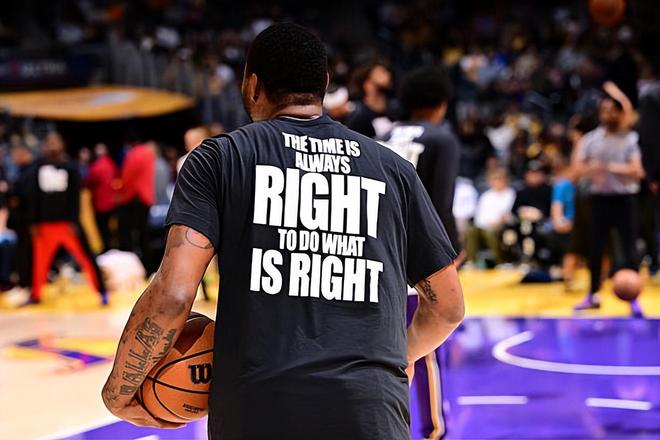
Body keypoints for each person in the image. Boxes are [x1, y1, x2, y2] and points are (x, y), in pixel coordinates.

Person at [102, 23, 464, 440]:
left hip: (258, 413)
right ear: (324, 84)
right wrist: (394, 359)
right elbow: (448, 308)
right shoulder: (393, 170)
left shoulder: (219, 158)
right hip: (372, 413)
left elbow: (175, 293)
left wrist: (119, 392)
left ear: (252, 85)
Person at [381, 65, 461, 439]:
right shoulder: (442, 139)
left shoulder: (382, 134)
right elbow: (440, 205)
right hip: (417, 253)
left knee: (381, 346)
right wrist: (451, 254)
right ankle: (432, 430)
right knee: (425, 346)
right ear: (442, 103)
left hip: (375, 252)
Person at [574, 96, 645, 316]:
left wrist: (608, 167)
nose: (608, 114)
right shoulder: (590, 140)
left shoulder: (631, 139)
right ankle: (593, 294)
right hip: (599, 199)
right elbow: (578, 170)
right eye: (604, 110)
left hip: (625, 200)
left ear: (620, 113)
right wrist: (591, 169)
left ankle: (633, 298)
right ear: (599, 114)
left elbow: (637, 171)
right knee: (595, 249)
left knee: (630, 249)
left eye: (613, 110)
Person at [24, 132, 108, 305]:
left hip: (67, 224)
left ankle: (102, 293)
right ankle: (35, 295)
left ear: (63, 144)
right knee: (39, 262)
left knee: (87, 257)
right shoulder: (37, 167)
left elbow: (75, 196)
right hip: (44, 224)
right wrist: (33, 221)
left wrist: (74, 220)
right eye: (49, 141)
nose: (52, 144)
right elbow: (33, 196)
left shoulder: (71, 167)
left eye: (56, 141)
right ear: (44, 145)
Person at [117, 140, 155, 268]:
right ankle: (148, 266)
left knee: (128, 235)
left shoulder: (133, 154)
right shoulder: (148, 154)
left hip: (135, 198)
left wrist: (123, 195)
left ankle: (132, 266)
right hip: (146, 198)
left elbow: (127, 176)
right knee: (144, 234)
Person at [465, 167, 516, 265]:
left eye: (500, 178)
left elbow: (509, 214)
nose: (497, 181)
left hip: (503, 226)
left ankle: (500, 262)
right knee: (471, 231)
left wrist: (498, 222)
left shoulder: (511, 194)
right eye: (495, 179)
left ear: (506, 179)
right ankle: (471, 262)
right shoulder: (486, 196)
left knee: (491, 233)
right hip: (484, 225)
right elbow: (478, 216)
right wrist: (486, 224)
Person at [83, 143, 118, 252]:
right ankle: (111, 248)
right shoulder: (111, 164)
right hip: (112, 202)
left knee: (102, 228)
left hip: (100, 203)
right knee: (110, 227)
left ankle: (105, 250)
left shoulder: (96, 167)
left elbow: (88, 182)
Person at [346, 62, 394, 138]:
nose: (388, 75)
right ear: (367, 83)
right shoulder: (359, 115)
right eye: (381, 72)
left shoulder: (395, 107)